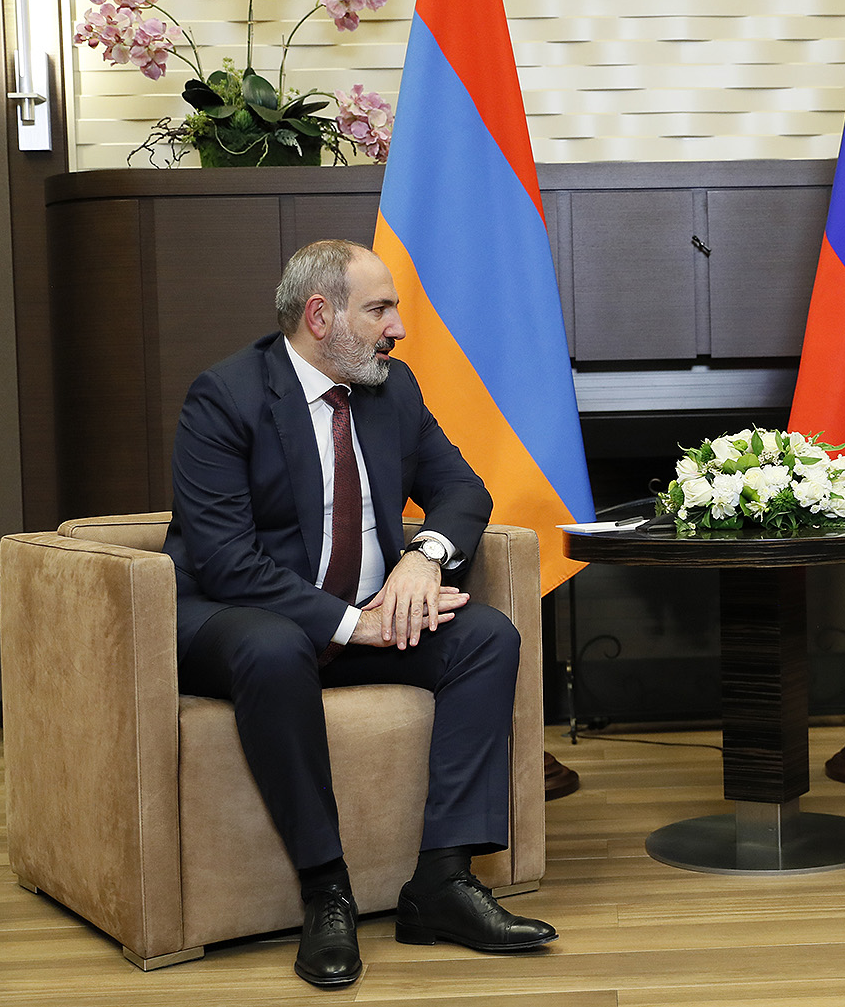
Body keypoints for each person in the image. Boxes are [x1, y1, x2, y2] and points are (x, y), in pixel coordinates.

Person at [163, 238, 557, 988]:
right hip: (235, 618)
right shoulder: (226, 396)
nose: (397, 328)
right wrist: (354, 624)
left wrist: (423, 558)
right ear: (321, 316)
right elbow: (225, 562)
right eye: (380, 310)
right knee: (275, 647)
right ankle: (326, 891)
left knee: (486, 635)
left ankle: (441, 882)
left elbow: (463, 489)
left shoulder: (391, 390)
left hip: (366, 617)